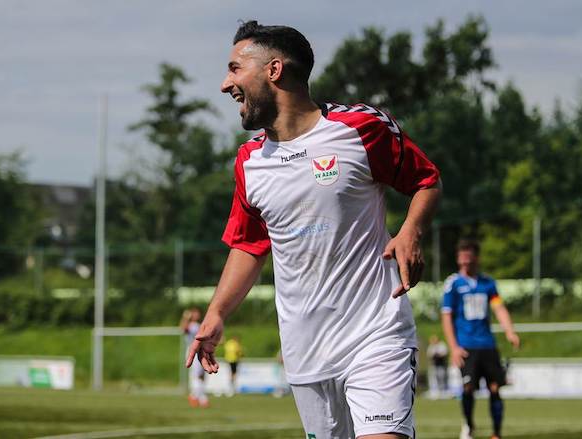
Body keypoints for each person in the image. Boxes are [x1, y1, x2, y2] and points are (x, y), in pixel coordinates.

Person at [185, 21, 441, 439]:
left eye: (234, 68)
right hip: (306, 354)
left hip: (376, 336)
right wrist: (216, 312)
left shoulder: (359, 128)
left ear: (273, 70)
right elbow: (249, 246)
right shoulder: (250, 162)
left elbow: (426, 180)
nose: (225, 84)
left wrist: (413, 228)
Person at [441, 239, 520, 439]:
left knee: (495, 388)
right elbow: (447, 316)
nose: (465, 263)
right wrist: (454, 347)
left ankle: (496, 433)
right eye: (462, 259)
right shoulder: (453, 284)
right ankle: (468, 424)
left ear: (476, 258)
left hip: (488, 345)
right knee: (468, 388)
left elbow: (499, 308)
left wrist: (509, 331)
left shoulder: (488, 283)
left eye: (469, 258)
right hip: (466, 345)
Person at [180, 307, 208, 408]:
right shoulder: (191, 325)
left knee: (201, 376)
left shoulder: (198, 325)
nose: (197, 315)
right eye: (195, 313)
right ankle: (195, 396)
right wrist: (185, 317)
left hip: (201, 351)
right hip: (193, 352)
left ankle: (201, 397)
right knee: (196, 375)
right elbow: (183, 329)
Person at [426, 334, 449, 398]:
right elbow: (429, 355)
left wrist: (438, 354)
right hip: (434, 365)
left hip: (442, 365)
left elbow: (444, 353)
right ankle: (436, 392)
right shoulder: (431, 346)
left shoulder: (442, 345)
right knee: (435, 378)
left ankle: (444, 392)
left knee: (442, 377)